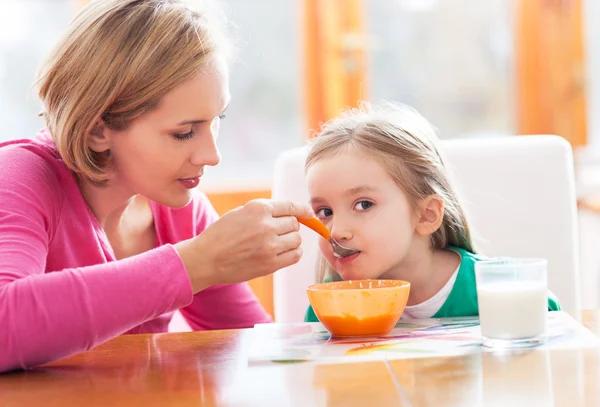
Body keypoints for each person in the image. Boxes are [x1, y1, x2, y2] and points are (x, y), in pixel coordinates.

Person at [0, 0, 312, 373]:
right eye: (184, 133)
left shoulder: (179, 209)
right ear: (98, 129)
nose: (212, 156)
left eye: (217, 119)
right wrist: (196, 263)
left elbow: (257, 344)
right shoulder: (19, 176)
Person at [304, 101, 560, 322]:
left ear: (426, 215)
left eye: (364, 205)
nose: (336, 231)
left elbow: (549, 320)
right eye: (325, 211)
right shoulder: (329, 307)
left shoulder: (498, 289)